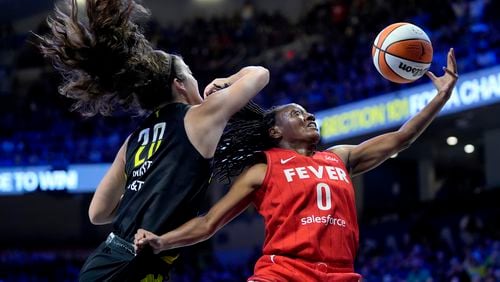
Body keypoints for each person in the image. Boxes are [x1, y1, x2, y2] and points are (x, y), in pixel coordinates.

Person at [134, 48, 459, 281]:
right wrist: (162, 241)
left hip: (340, 274)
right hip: (282, 273)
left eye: (307, 112)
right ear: (275, 130)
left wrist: (441, 98)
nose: (309, 116)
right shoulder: (263, 167)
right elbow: (208, 224)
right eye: (297, 113)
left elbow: (402, 138)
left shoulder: (340, 157)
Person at [37, 0, 269, 281]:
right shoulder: (199, 118)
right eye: (191, 75)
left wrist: (147, 189)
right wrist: (227, 79)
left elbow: (98, 213)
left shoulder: (133, 139)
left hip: (107, 258)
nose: (196, 81)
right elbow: (259, 74)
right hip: (134, 263)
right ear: (179, 84)